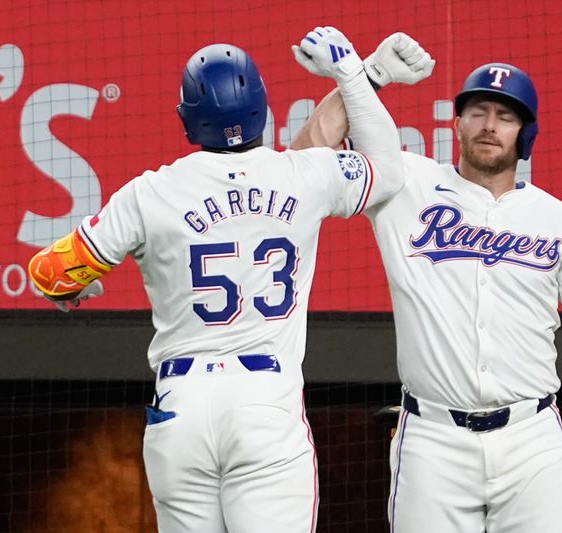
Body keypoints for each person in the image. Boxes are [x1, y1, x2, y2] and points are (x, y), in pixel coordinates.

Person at [25, 26, 430, 533]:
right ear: (262, 109)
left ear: (186, 120)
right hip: (265, 400)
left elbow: (49, 275)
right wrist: (356, 74)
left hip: (181, 408)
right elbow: (385, 171)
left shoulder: (150, 193)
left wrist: (75, 288)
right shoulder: (301, 175)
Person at [292, 53, 562, 532]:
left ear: (524, 134)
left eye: (505, 116)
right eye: (477, 112)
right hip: (433, 441)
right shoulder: (406, 183)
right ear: (458, 123)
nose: (490, 125)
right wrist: (365, 76)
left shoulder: (560, 221)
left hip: (532, 443)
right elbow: (303, 161)